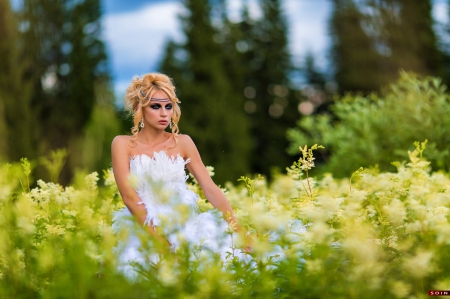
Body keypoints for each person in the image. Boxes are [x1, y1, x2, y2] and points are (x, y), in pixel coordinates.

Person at [111, 73, 250, 274]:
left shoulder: (183, 142)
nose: (164, 114)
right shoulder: (122, 144)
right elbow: (129, 197)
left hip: (184, 225)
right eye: (155, 106)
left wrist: (238, 230)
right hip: (143, 228)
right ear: (139, 108)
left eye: (168, 106)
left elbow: (210, 189)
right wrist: (162, 244)